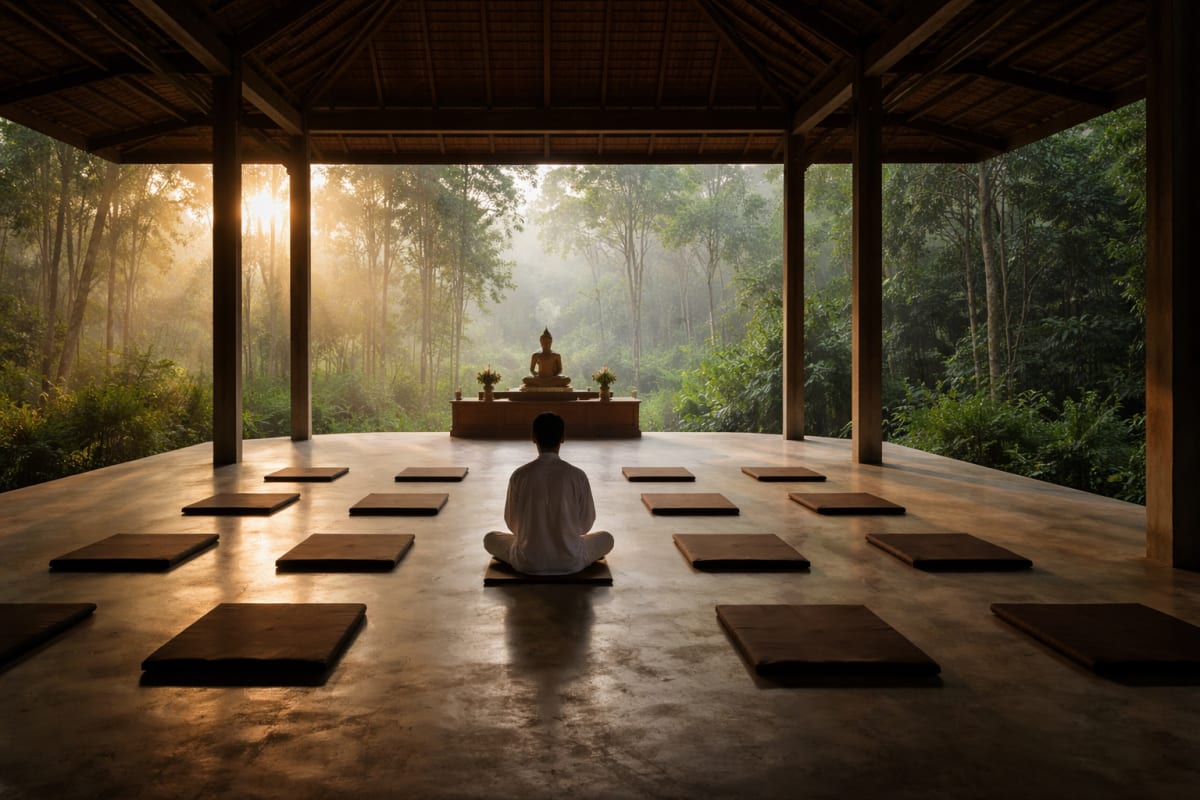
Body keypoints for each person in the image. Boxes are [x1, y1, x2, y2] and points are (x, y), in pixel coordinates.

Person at [484, 412, 613, 575]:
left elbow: (512, 523)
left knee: (490, 538)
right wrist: (567, 535)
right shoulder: (577, 475)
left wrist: (533, 535)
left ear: (533, 438)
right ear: (563, 438)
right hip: (571, 560)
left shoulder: (520, 475)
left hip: (527, 561)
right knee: (607, 538)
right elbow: (585, 524)